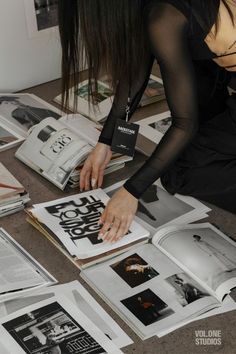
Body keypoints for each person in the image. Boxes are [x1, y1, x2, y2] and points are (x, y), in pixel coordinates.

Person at [58, 0, 236, 243]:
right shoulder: (152, 9)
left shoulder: (163, 14)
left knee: (179, 173)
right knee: (187, 150)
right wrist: (106, 143)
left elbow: (185, 123)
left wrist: (131, 191)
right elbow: (135, 78)